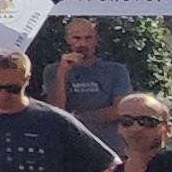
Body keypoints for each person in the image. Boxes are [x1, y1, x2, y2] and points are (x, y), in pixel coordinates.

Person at [45, 16, 137, 148]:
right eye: (77, 38)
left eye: (88, 38)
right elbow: (56, 110)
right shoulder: (53, 71)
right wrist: (62, 73)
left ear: (96, 40)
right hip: (72, 145)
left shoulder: (116, 71)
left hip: (109, 146)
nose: (82, 44)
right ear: (68, 40)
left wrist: (79, 117)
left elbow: (120, 109)